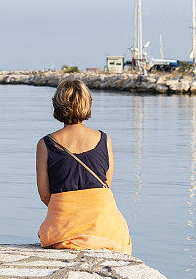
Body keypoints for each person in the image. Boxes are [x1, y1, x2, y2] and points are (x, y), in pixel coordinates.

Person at [36, 79, 132, 254]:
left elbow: (44, 195)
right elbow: (106, 185)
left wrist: (70, 210)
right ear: (88, 104)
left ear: (56, 105)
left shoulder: (45, 144)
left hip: (61, 231)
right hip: (105, 230)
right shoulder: (104, 139)